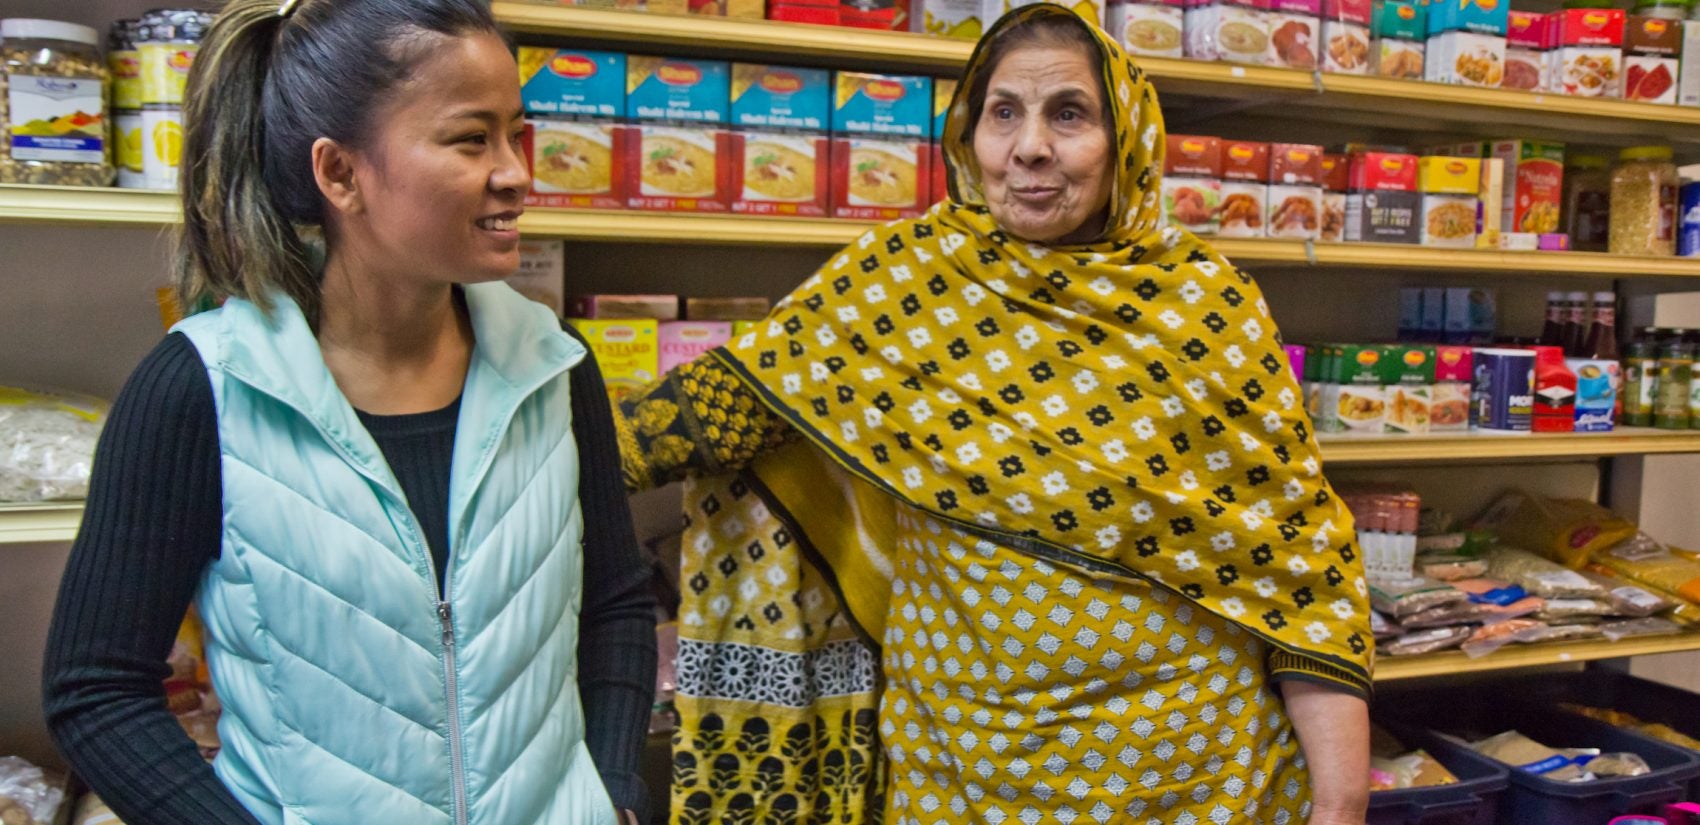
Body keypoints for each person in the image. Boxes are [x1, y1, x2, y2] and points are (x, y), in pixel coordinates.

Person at [617, 6, 1372, 824]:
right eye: (1003, 112)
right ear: (968, 135)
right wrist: (516, 441)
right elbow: (722, 409)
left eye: (1070, 114)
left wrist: (1340, 799)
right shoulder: (899, 287)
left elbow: (1302, 573)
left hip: (1198, 780)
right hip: (958, 779)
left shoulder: (1205, 308)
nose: (1032, 146)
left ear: (1128, 138)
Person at [40, 1, 656, 824]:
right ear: (339, 174)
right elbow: (96, 689)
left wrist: (612, 790)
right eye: (471, 139)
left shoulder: (551, 363)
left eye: (517, 133)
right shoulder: (205, 387)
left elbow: (613, 601)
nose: (514, 172)